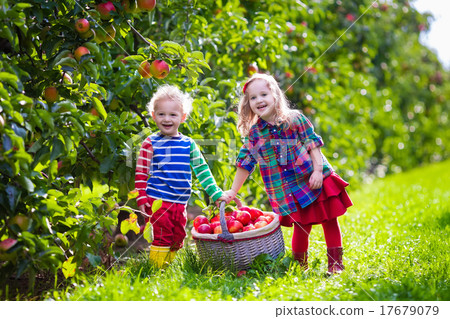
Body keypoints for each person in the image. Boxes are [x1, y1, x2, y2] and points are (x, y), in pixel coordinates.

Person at [223, 73, 353, 274]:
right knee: (301, 226)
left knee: (329, 220)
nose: (259, 100)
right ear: (248, 104)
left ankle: (335, 265)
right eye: (253, 98)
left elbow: (313, 144)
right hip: (286, 189)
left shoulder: (294, 119)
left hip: (312, 178)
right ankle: (300, 267)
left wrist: (318, 171)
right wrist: (233, 190)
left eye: (263, 94)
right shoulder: (255, 134)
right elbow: (245, 162)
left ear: (275, 95)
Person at [135, 85, 228, 268]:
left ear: (183, 117)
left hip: (180, 203)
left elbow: (202, 169)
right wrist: (141, 196)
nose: (167, 119)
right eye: (161, 114)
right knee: (162, 236)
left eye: (173, 115)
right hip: (158, 201)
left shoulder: (188, 144)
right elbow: (141, 171)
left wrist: (215, 193)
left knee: (178, 237)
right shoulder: (150, 143)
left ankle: (168, 268)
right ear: (153, 116)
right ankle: (156, 271)